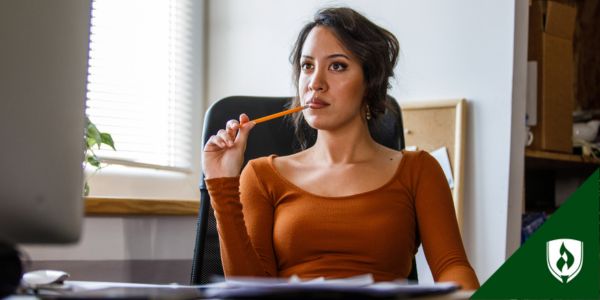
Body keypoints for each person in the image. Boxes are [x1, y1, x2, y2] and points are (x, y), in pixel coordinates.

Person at [202, 7, 480, 290]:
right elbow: (249, 289)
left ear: (370, 83)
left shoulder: (419, 170)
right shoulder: (261, 175)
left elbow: (452, 267)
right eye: (307, 66)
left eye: (337, 66)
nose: (315, 83)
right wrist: (221, 182)